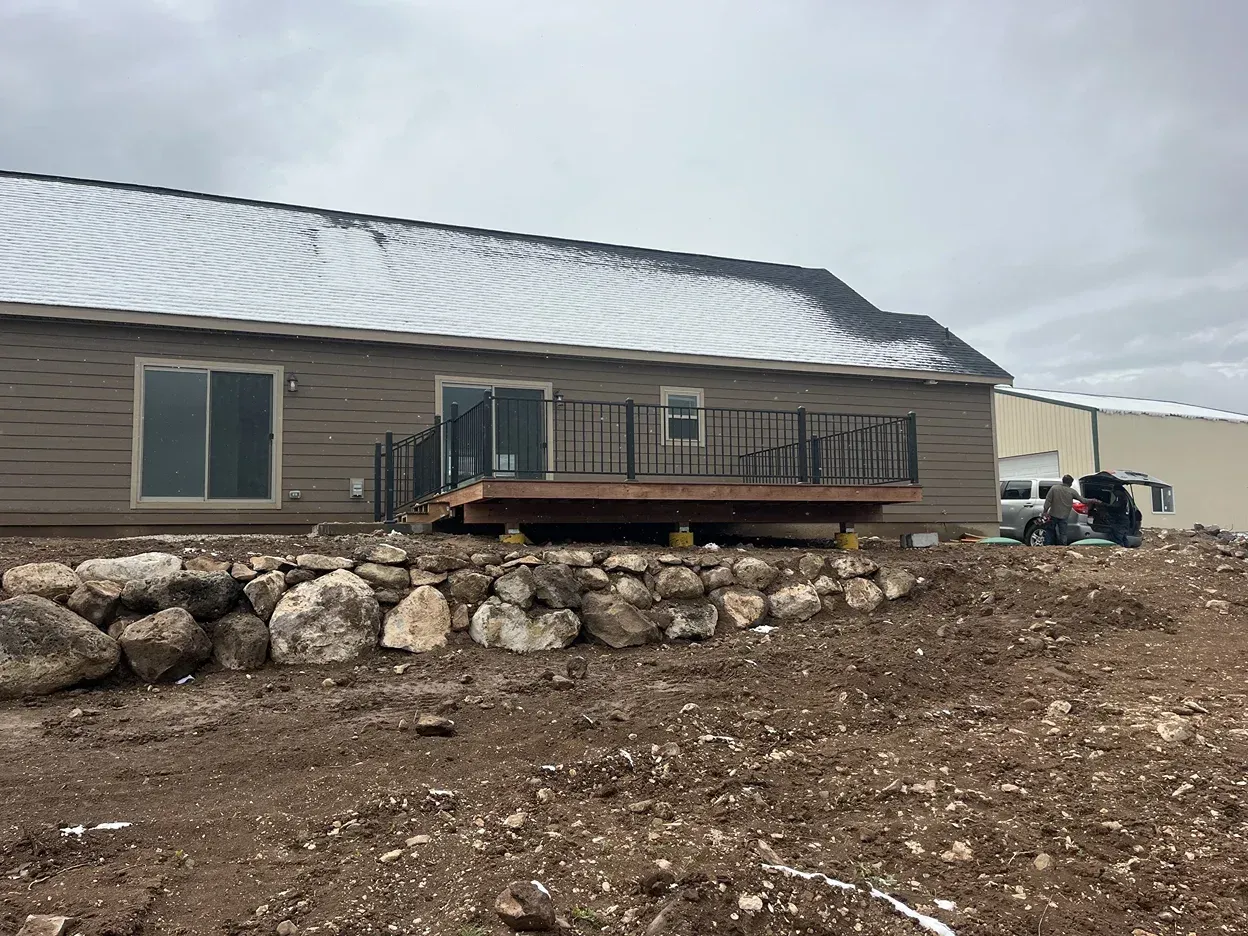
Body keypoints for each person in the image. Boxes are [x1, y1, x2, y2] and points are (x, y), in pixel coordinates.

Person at [1042, 475, 1097, 546]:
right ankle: (1063, 547)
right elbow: (1083, 500)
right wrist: (1093, 500)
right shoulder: (1072, 491)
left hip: (1053, 514)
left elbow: (1048, 501)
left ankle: (1047, 546)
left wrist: (1045, 512)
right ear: (1070, 483)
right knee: (1063, 533)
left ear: (1063, 480)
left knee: (1049, 531)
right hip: (1064, 516)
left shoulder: (1054, 488)